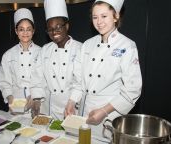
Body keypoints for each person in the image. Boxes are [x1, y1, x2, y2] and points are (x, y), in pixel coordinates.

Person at [65, 0, 142, 142]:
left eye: (104, 16)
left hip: (108, 115)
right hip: (83, 112)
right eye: (95, 17)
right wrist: (71, 101)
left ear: (116, 16)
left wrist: (104, 111)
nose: (99, 22)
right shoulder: (88, 44)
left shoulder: (127, 46)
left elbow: (133, 89)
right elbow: (79, 80)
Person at [33, 0, 82, 120]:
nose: (54, 32)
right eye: (50, 29)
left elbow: (81, 83)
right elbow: (37, 78)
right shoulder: (45, 50)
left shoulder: (81, 48)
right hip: (48, 109)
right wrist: (36, 100)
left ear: (67, 26)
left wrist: (72, 101)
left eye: (58, 27)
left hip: (72, 107)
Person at [0, 8, 44, 116]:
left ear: (33, 31)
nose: (25, 33)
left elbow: (45, 80)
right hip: (16, 104)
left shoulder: (42, 52)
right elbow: (4, 81)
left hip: (37, 104)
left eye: (28, 29)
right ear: (16, 31)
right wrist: (9, 97)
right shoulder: (8, 55)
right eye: (21, 29)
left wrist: (36, 99)